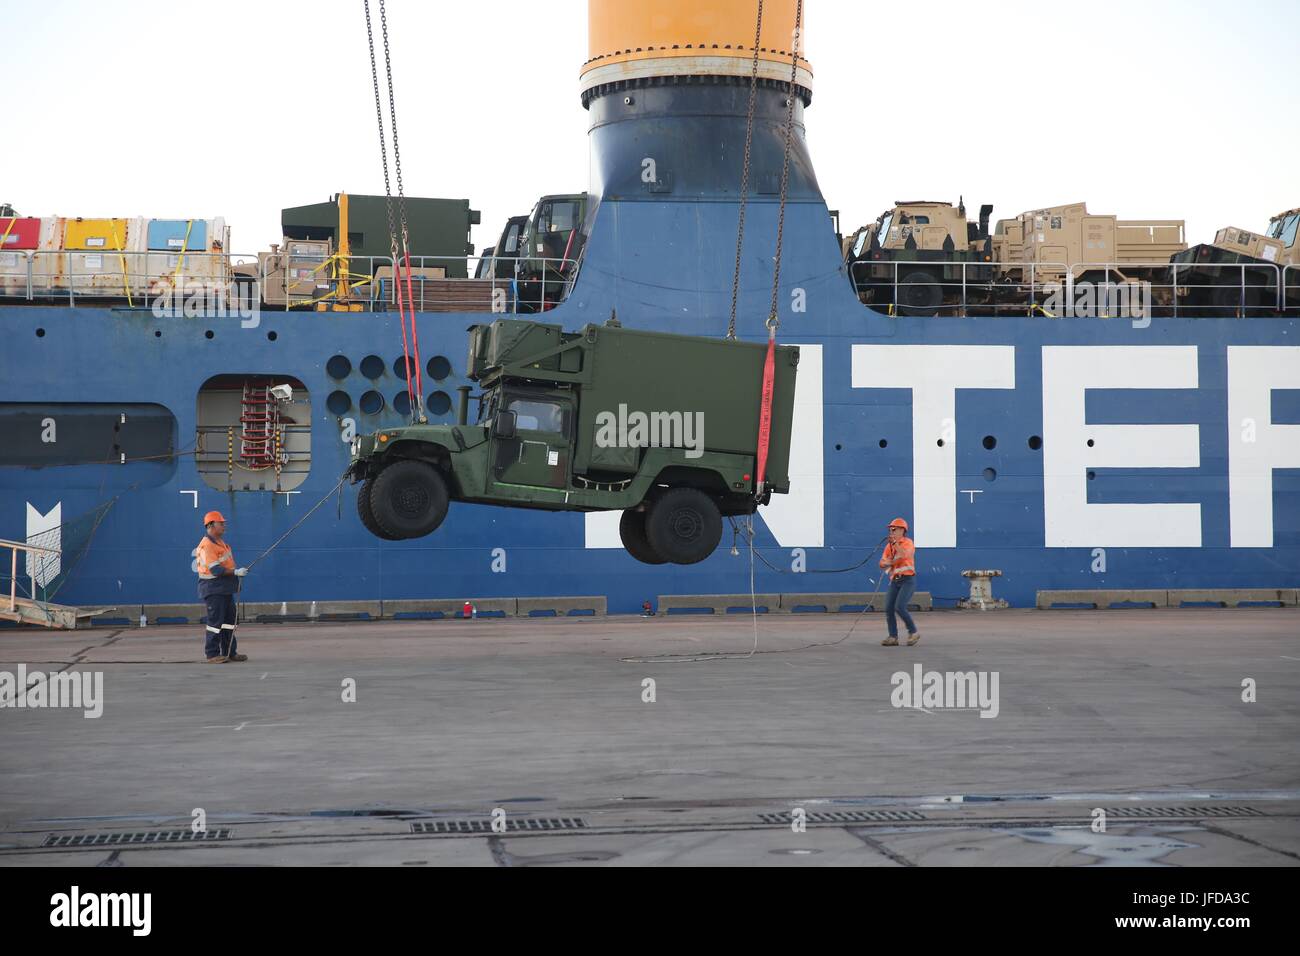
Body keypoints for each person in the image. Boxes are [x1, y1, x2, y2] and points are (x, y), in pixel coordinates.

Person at [194, 511, 248, 663]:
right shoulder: (207, 545)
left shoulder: (221, 543)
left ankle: (230, 651)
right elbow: (215, 570)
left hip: (224, 588)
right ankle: (212, 654)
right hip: (213, 589)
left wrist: (235, 573)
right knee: (215, 622)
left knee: (230, 621)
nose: (224, 526)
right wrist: (236, 572)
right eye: (221, 523)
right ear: (211, 525)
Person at [879, 517, 920, 647]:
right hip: (895, 580)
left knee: (900, 607)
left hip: (907, 580)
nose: (891, 531)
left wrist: (894, 547)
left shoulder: (908, 543)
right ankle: (893, 637)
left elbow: (904, 555)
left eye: (894, 529)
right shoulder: (888, 546)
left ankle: (913, 632)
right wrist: (890, 561)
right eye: (890, 529)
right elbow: (881, 563)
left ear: (902, 530)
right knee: (889, 608)